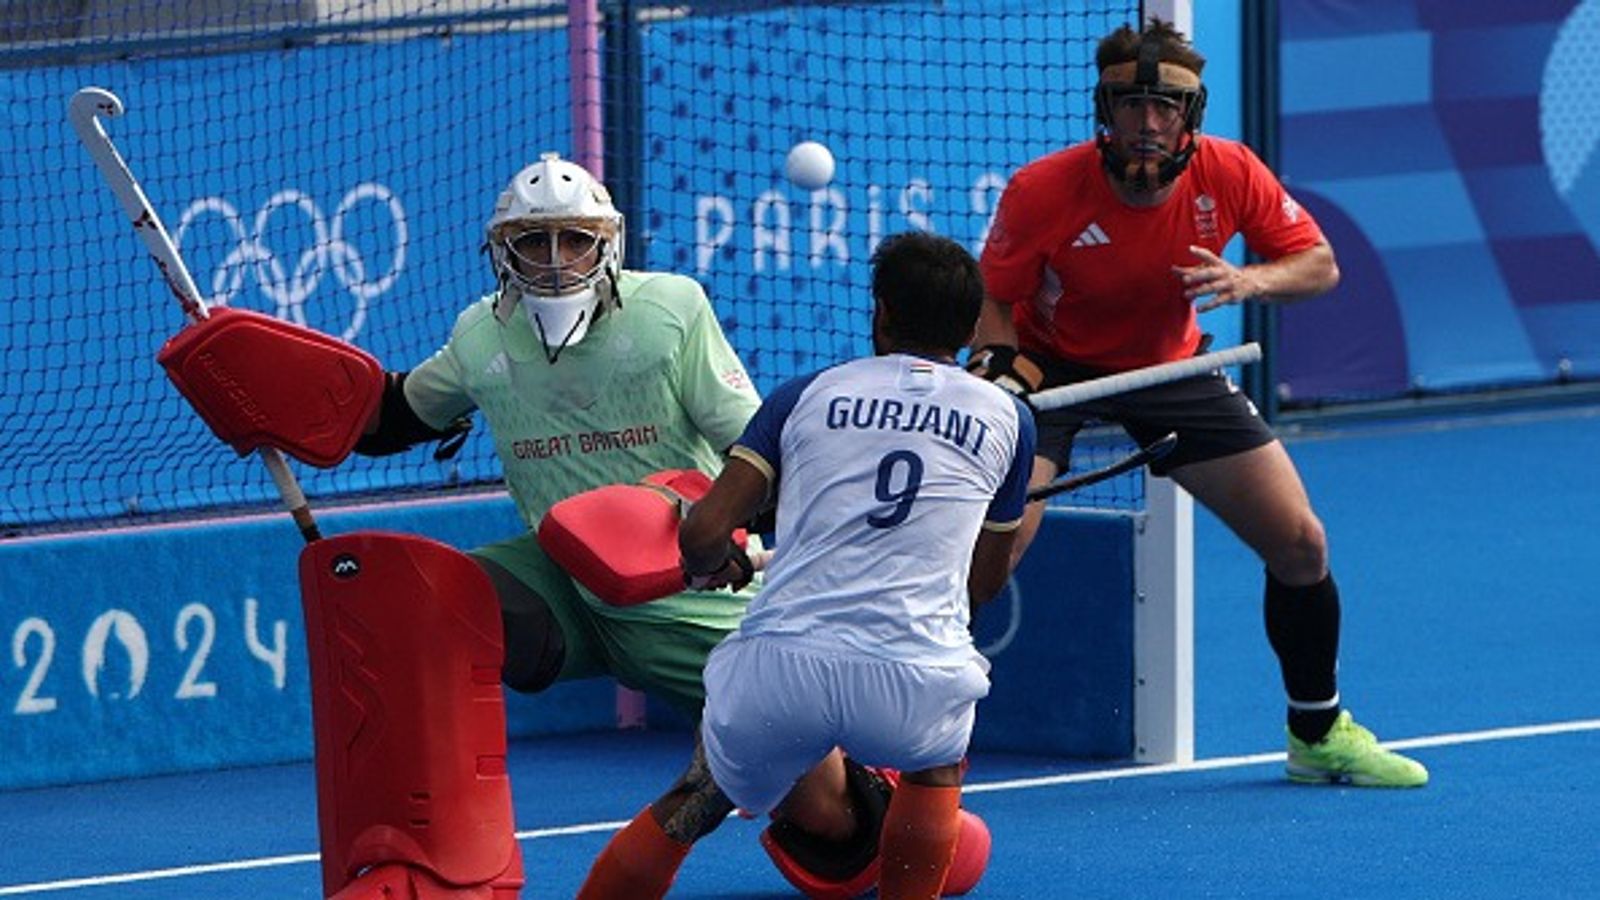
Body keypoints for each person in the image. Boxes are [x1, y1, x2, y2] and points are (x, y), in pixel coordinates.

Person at [354, 152, 895, 882]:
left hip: (691, 596)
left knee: (840, 828)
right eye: (533, 241)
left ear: (606, 244)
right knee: (429, 606)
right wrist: (282, 402)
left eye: (574, 240)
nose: (555, 261)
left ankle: (862, 789)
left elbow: (755, 452)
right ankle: (436, 855)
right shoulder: (481, 335)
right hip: (562, 584)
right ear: (502, 251)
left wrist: (729, 542)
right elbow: (393, 415)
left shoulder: (670, 310)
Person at [970, 19, 1428, 788]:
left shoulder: (1231, 170)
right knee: (993, 558)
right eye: (1132, 104)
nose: (1148, 122)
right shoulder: (1041, 189)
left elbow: (1317, 264)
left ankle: (1316, 735)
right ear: (1105, 110)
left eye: (1166, 106)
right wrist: (998, 370)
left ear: (1191, 113)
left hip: (1170, 368)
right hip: (1051, 371)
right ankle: (909, 740)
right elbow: (994, 301)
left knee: (1301, 544)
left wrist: (1251, 280)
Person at [577, 231, 1036, 899]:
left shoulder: (805, 395)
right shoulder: (1011, 421)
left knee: (698, 795)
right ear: (970, 331)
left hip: (780, 669)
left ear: (880, 312)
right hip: (913, 676)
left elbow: (703, 532)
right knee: (935, 766)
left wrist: (718, 563)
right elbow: (983, 585)